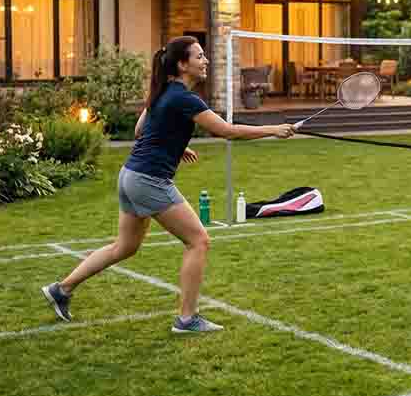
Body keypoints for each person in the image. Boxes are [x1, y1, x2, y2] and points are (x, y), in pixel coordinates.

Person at [42, 36, 296, 332]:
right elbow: (227, 131)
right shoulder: (184, 98)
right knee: (198, 241)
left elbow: (140, 130)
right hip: (149, 180)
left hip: (130, 176)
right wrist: (273, 129)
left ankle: (62, 289)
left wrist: (175, 144)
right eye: (199, 56)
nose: (206, 61)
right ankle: (187, 319)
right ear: (182, 64)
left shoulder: (162, 91)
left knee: (124, 247)